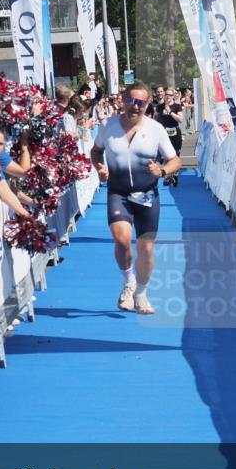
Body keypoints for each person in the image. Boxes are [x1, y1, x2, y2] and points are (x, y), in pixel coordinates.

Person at [91, 82, 181, 315]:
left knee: (146, 249)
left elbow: (175, 161)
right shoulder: (108, 126)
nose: (134, 106)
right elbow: (96, 150)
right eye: (130, 100)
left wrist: (162, 171)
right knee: (121, 241)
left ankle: (141, 293)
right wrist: (99, 168)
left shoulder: (155, 129)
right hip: (118, 192)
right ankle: (128, 280)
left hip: (147, 195)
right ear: (123, 100)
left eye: (140, 102)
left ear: (147, 104)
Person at [155, 96, 183, 186]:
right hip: (164, 133)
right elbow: (155, 117)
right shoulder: (160, 107)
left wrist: (170, 112)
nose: (168, 97)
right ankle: (167, 176)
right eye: (166, 94)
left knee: (176, 154)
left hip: (175, 133)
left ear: (173, 96)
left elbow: (180, 119)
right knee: (165, 154)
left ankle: (175, 175)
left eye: (170, 95)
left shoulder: (177, 106)